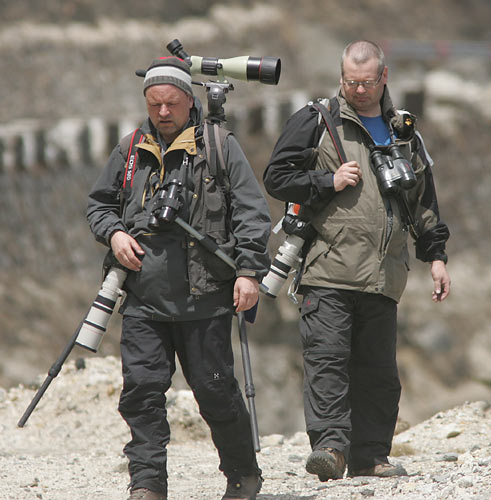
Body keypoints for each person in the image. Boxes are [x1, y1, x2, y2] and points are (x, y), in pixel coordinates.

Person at [263, 40, 451, 482]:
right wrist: (327, 180)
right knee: (327, 361)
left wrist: (436, 258)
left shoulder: (404, 131)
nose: (359, 90)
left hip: (384, 275)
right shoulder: (317, 121)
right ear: (341, 75)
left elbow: (423, 202)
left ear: (383, 78)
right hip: (328, 269)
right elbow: (277, 177)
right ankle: (331, 449)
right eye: (350, 81)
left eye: (367, 82)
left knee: (379, 374)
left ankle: (371, 457)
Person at [87, 56, 271, 500]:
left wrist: (247, 272)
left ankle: (243, 475)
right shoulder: (130, 151)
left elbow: (252, 213)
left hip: (205, 298)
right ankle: (147, 485)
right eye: (155, 105)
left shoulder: (219, 147)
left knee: (216, 394)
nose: (163, 113)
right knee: (142, 394)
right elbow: (99, 205)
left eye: (171, 103)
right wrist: (113, 235)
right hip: (144, 301)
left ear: (190, 101)